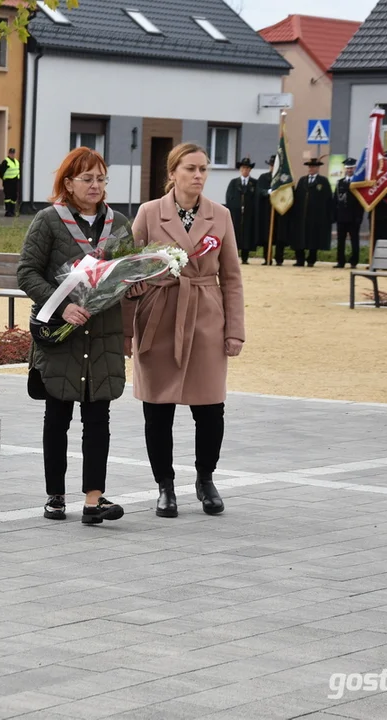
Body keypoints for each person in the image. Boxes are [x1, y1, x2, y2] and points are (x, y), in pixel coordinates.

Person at [125, 142, 245, 517]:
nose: (198, 176)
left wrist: (234, 330)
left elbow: (232, 276)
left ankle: (205, 478)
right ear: (172, 172)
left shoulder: (220, 215)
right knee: (156, 409)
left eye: (204, 169)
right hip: (159, 315)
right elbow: (127, 269)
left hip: (206, 316)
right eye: (191, 169)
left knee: (210, 407)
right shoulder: (148, 213)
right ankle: (165, 485)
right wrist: (128, 329)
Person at [17, 146, 131, 525]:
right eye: (88, 178)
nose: (96, 185)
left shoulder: (120, 224)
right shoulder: (49, 221)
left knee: (99, 416)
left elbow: (125, 274)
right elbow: (27, 272)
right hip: (62, 332)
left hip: (103, 334)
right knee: (58, 415)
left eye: (101, 178)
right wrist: (61, 304)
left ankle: (93, 500)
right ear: (68, 183)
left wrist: (134, 283)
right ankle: (55, 496)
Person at [292, 158, 333, 267]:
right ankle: (299, 259)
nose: (311, 168)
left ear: (318, 168)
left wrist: (327, 216)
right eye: (309, 166)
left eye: (313, 166)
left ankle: (311, 259)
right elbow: (296, 197)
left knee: (313, 238)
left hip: (316, 217)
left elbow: (328, 199)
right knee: (299, 238)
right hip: (302, 216)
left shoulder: (323, 181)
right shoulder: (302, 181)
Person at [334, 157, 365, 268]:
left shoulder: (358, 183)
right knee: (340, 241)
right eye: (348, 168)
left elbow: (361, 202)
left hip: (354, 217)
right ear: (345, 169)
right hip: (341, 217)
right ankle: (340, 261)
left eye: (351, 168)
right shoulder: (340, 183)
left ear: (355, 169)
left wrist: (359, 216)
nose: (349, 170)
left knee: (354, 240)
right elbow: (335, 200)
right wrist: (335, 216)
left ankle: (354, 261)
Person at [225, 157, 256, 264]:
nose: (245, 170)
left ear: (250, 170)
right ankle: (234, 257)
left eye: (247, 168)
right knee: (235, 235)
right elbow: (229, 197)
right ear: (240, 169)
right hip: (236, 215)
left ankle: (245, 257)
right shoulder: (234, 183)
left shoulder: (254, 183)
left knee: (247, 235)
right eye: (243, 168)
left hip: (248, 215)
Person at [0, 148, 21, 217]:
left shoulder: (16, 161)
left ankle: (12, 211)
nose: (12, 154)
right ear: (9, 154)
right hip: (8, 181)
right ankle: (8, 211)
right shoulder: (6, 161)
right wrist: (4, 179)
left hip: (15, 181)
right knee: (8, 197)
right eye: (11, 153)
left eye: (13, 153)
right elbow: (1, 172)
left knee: (14, 196)